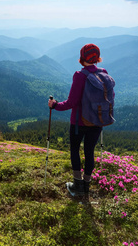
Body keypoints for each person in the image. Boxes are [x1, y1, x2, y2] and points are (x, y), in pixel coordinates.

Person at [48, 43, 107, 196]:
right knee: (89, 151)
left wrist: (55, 105)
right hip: (97, 122)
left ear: (82, 58)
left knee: (75, 149)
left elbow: (71, 102)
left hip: (79, 122)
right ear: (97, 57)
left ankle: (77, 184)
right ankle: (86, 185)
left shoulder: (80, 76)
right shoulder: (103, 73)